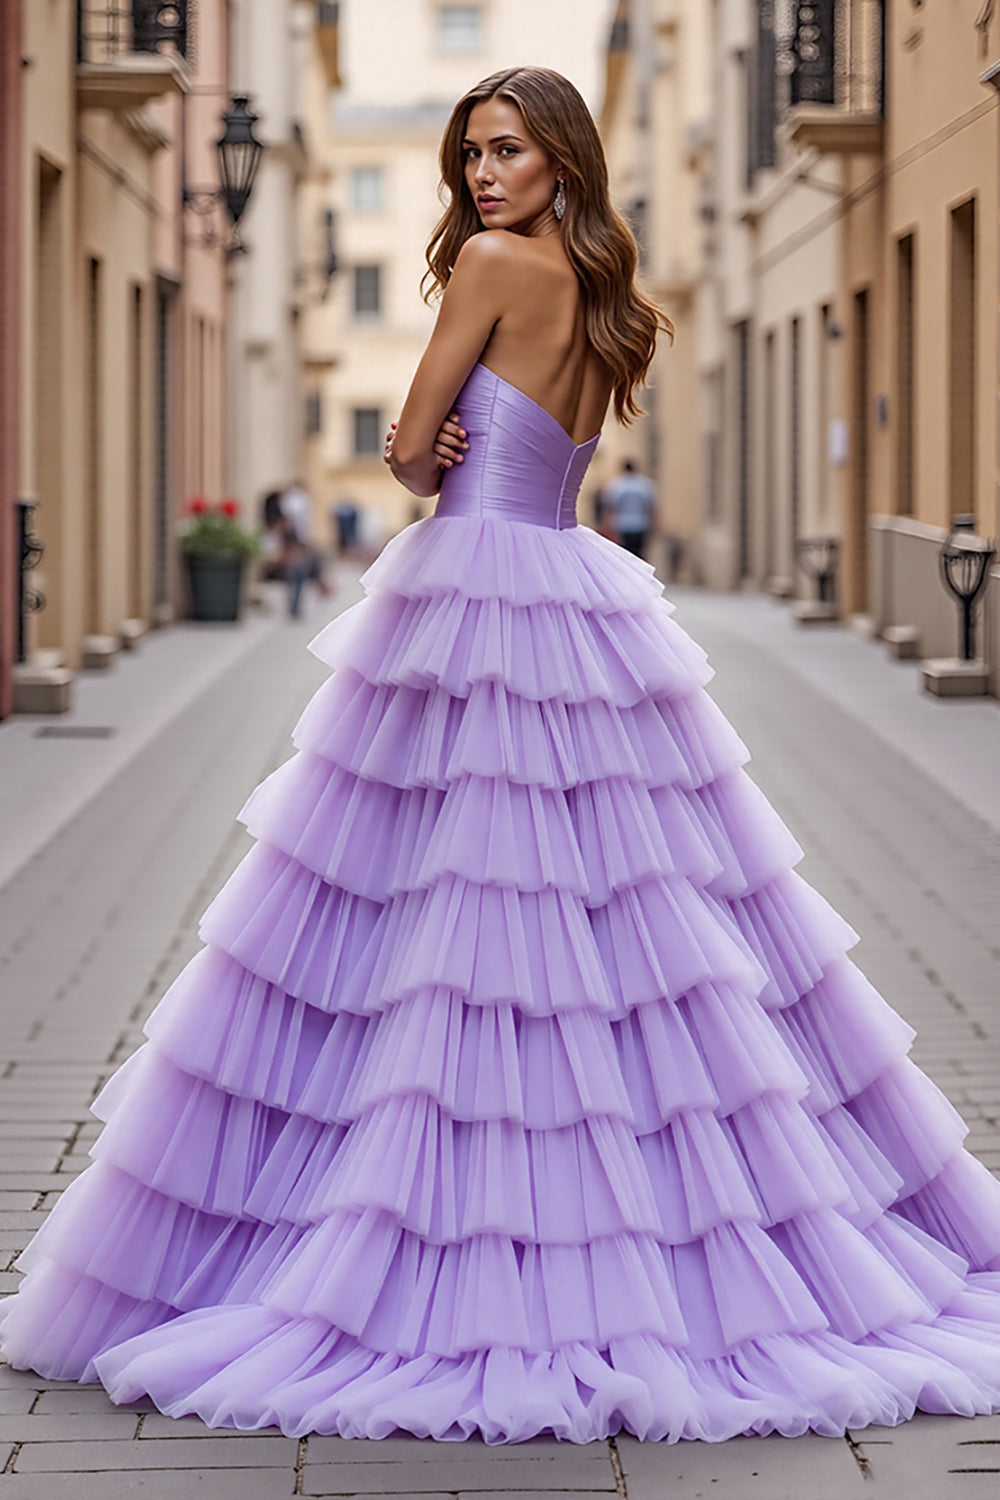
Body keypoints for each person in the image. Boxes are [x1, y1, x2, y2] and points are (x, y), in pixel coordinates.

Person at [3, 65, 999, 1448]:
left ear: (561, 162)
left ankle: (438, 1216)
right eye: (470, 152)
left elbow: (414, 456)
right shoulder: (603, 295)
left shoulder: (486, 269)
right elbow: (543, 453)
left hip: (472, 596)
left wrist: (419, 445)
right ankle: (637, 1210)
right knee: (619, 913)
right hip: (575, 592)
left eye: (509, 150)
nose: (482, 174)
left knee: (422, 903)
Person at [603, 458, 656, 558]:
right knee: (639, 555)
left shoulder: (617, 485)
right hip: (640, 524)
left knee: (625, 555)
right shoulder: (645, 484)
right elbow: (650, 508)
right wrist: (654, 525)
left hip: (623, 525)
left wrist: (607, 525)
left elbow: (611, 508)